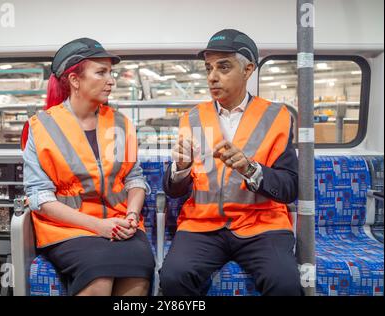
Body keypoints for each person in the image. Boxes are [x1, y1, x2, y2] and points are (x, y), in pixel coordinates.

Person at [159, 29, 302, 296]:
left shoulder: (278, 117)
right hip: (202, 225)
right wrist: (180, 169)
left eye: (223, 67)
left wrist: (251, 169)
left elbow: (289, 188)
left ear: (248, 70)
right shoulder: (191, 118)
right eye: (209, 68)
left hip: (262, 225)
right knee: (173, 278)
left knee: (286, 285)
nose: (212, 76)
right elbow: (174, 191)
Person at [21, 38, 155, 296]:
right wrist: (98, 227)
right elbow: (39, 197)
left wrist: (132, 216)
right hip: (68, 229)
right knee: (99, 275)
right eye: (101, 72)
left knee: (139, 271)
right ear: (75, 80)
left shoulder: (121, 124)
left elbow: (134, 180)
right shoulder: (41, 128)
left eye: (111, 73)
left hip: (121, 223)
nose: (111, 80)